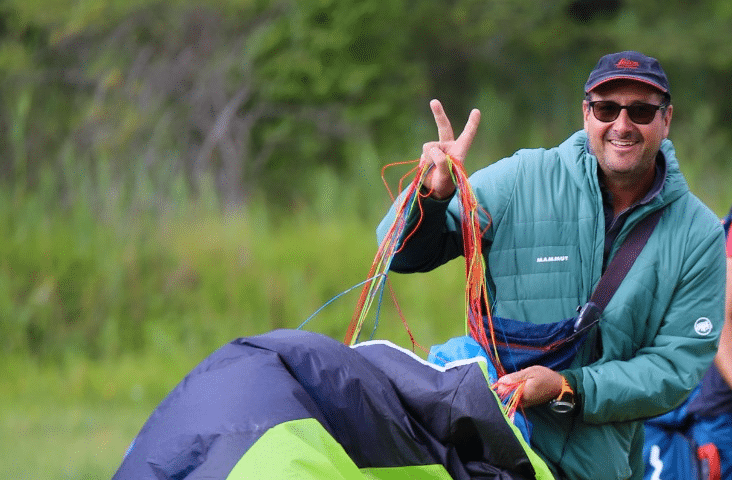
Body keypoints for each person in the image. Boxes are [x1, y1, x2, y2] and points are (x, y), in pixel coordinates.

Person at [377, 51, 726, 480]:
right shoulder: (522, 178)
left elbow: (675, 368)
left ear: (666, 120)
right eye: (606, 108)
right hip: (490, 450)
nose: (622, 124)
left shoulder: (700, 234)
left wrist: (567, 388)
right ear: (586, 114)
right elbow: (402, 254)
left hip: (598, 467)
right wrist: (433, 195)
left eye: (640, 111)